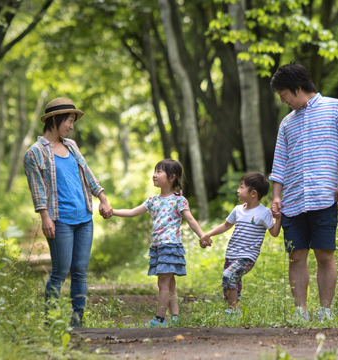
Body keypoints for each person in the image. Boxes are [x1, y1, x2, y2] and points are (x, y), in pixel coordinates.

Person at [269, 63, 338, 323]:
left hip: (323, 196)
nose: (282, 100)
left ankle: (325, 310)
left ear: (297, 88)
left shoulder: (337, 108)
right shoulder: (286, 123)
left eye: (283, 94)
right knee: (296, 256)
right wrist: (276, 196)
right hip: (294, 201)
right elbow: (279, 164)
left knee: (324, 253)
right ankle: (300, 311)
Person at [23, 97, 112, 327]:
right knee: (60, 271)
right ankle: (51, 320)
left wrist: (102, 198)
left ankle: (77, 320)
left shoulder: (71, 145)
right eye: (69, 121)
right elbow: (38, 189)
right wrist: (44, 217)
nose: (71, 126)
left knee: (80, 271)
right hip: (59, 220)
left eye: (73, 121)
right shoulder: (34, 153)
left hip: (84, 218)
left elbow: (87, 173)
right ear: (55, 119)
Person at [109, 159, 204, 327]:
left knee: (163, 284)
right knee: (170, 284)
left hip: (170, 246)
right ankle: (175, 317)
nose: (154, 175)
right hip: (158, 247)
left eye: (159, 172)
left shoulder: (178, 200)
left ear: (172, 177)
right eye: (155, 171)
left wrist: (202, 236)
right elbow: (132, 212)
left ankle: (159, 319)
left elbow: (190, 219)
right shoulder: (153, 200)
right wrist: (112, 212)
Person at [199, 173, 281, 317]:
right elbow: (226, 225)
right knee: (230, 284)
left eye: (241, 187)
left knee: (229, 275)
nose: (238, 190)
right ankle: (235, 309)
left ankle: (232, 311)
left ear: (253, 193)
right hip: (231, 253)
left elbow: (274, 232)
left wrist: (279, 219)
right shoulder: (238, 210)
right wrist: (208, 234)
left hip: (248, 256)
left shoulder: (264, 213)